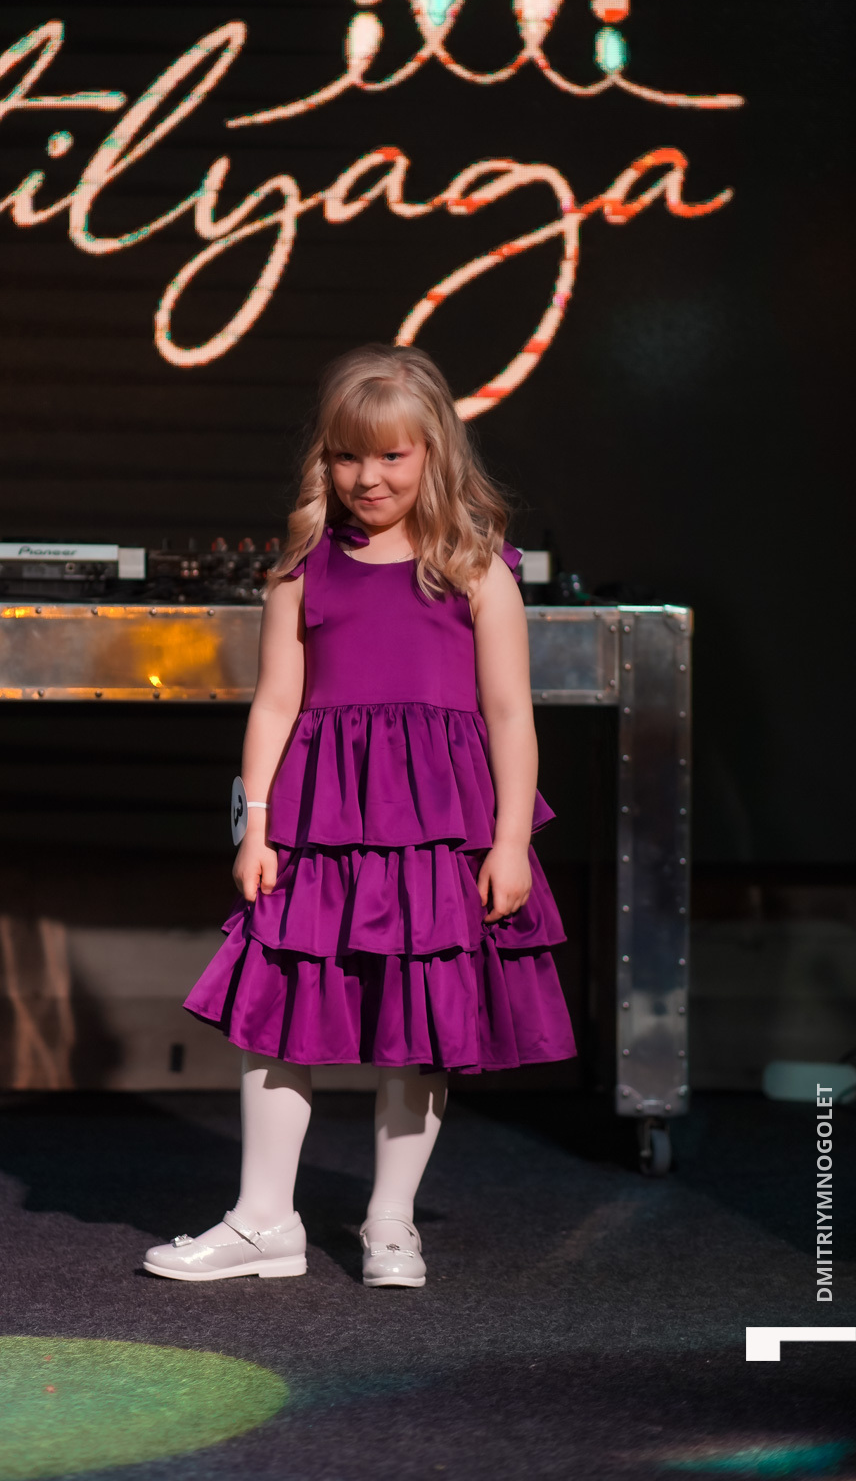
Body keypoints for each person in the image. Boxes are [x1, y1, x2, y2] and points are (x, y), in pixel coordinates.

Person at [144, 344, 576, 1288]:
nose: (367, 477)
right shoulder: (305, 570)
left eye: (391, 455)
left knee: (419, 1018)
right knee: (275, 1009)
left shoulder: (474, 570)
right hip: (321, 828)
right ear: (325, 460)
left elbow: (511, 715)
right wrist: (258, 825)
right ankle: (264, 1222)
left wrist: (510, 842)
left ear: (434, 453)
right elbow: (275, 704)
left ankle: (391, 1223)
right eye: (347, 455)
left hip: (437, 832)